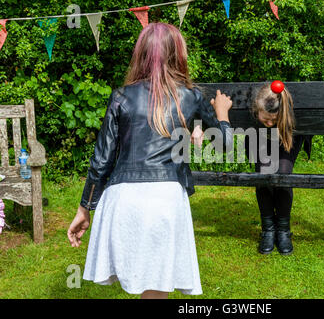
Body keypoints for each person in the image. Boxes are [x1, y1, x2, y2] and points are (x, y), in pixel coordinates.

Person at [67, 22, 233, 299]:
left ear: (140, 54)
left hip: (122, 200)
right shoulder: (191, 96)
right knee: (155, 289)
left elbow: (101, 159)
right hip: (164, 200)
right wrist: (223, 113)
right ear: (178, 54)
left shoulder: (121, 96)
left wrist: (85, 208)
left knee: (144, 286)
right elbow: (224, 145)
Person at [244, 82, 324, 255]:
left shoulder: (290, 106)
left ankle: (283, 230)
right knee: (264, 175)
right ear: (256, 111)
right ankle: (268, 229)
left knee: (283, 174)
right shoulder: (255, 105)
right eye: (265, 119)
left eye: (274, 119)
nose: (270, 123)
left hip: (287, 138)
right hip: (258, 139)